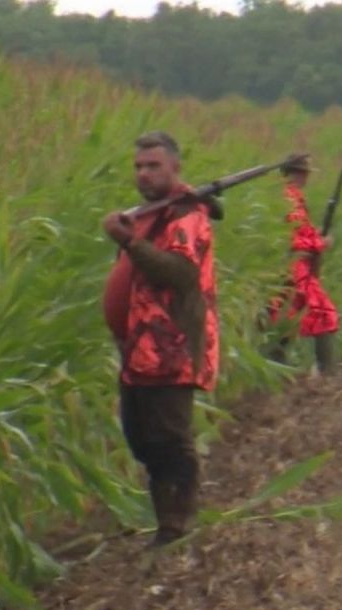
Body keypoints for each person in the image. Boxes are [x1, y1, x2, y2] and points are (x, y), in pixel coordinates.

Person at [100, 131, 220, 548]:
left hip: (172, 346)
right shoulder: (151, 213)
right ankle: (166, 521)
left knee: (171, 437)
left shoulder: (186, 216)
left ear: (174, 167)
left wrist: (128, 241)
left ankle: (177, 525)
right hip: (139, 349)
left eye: (153, 165)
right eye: (139, 166)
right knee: (142, 437)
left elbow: (180, 273)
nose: (144, 173)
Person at [264, 155, 339, 375]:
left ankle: (280, 368)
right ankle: (327, 372)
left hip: (291, 265)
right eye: (304, 173)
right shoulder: (289, 199)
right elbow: (293, 238)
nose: (306, 178)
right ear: (297, 173)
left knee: (285, 316)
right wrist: (320, 242)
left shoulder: (290, 197)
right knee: (322, 313)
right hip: (294, 265)